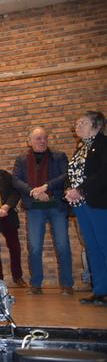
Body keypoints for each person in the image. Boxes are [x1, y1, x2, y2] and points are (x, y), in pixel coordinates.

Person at [12, 127, 72, 295]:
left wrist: (46, 187)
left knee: (63, 245)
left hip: (56, 206)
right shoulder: (21, 159)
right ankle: (36, 285)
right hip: (34, 207)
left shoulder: (59, 156)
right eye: (38, 138)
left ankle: (67, 285)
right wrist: (33, 191)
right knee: (35, 247)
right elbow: (16, 181)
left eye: (44, 138)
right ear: (29, 141)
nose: (42, 141)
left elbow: (66, 175)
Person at [65, 111, 107, 305]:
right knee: (92, 247)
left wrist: (81, 190)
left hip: (99, 202)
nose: (78, 125)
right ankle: (100, 290)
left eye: (82, 122)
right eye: (77, 122)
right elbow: (73, 173)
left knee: (104, 244)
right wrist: (69, 189)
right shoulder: (81, 147)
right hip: (81, 205)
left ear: (96, 125)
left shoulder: (103, 144)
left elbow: (103, 174)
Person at [0, 153, 26, 287]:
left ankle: (18, 277)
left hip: (9, 215)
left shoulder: (5, 175)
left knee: (15, 247)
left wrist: (7, 207)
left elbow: (16, 192)